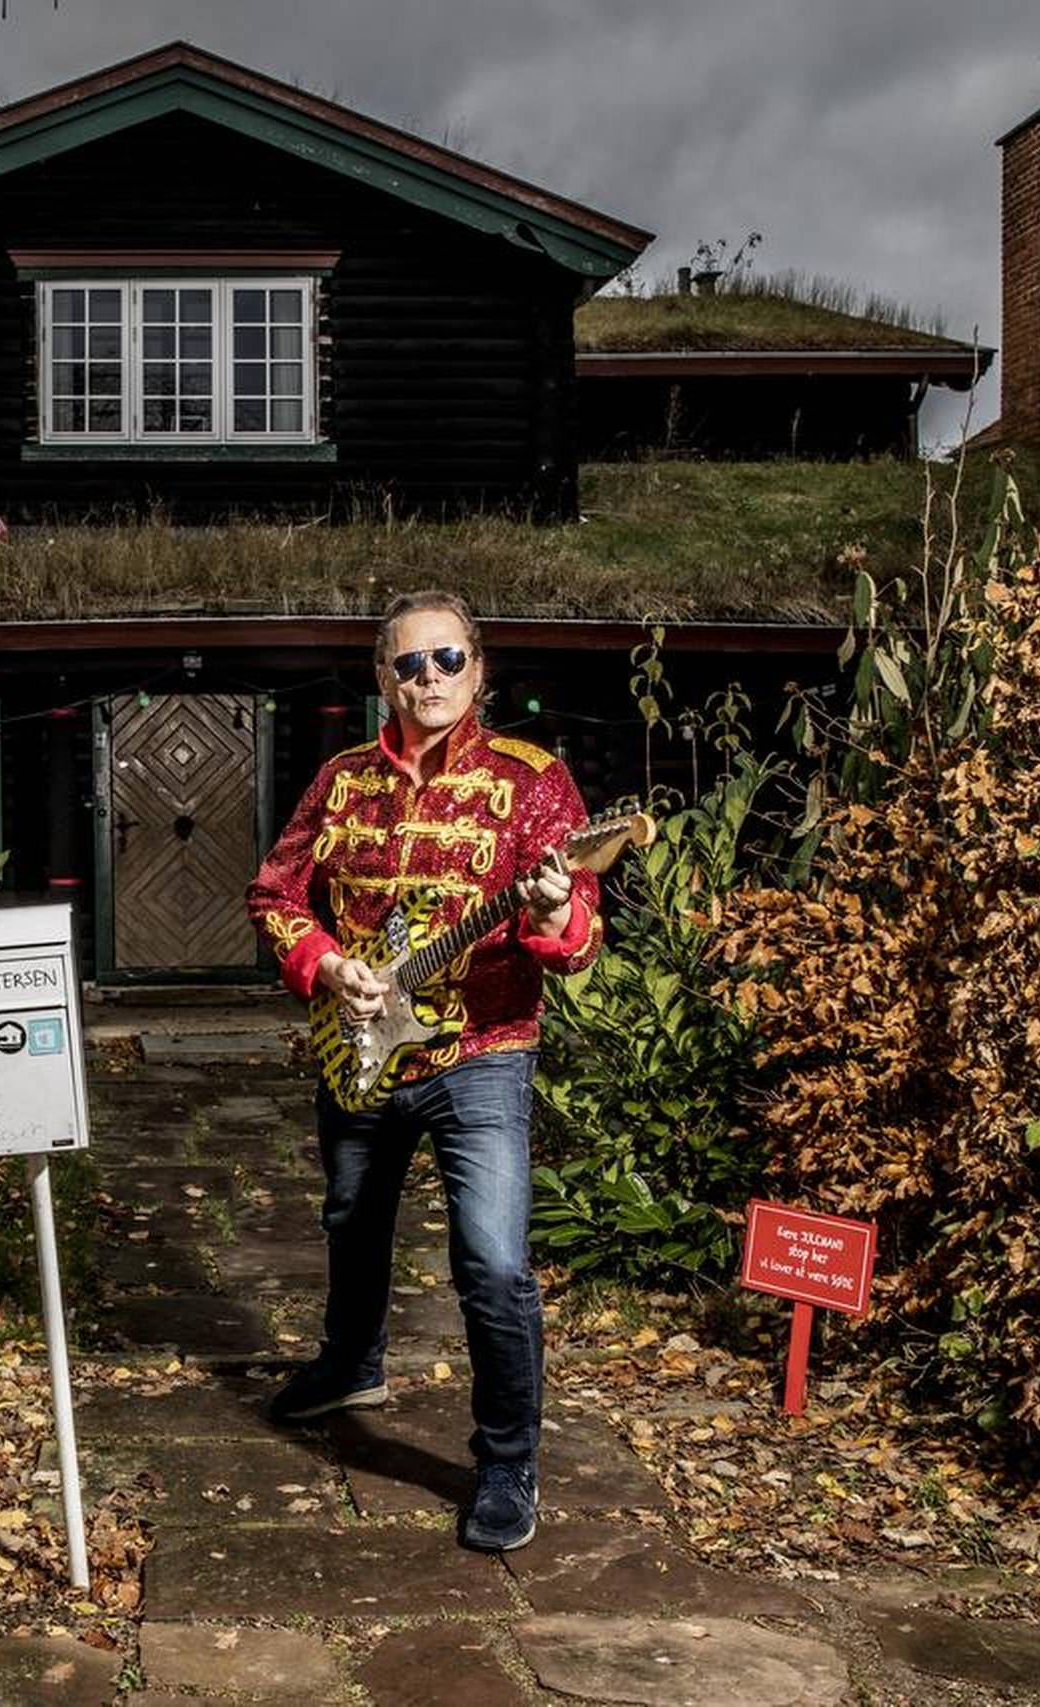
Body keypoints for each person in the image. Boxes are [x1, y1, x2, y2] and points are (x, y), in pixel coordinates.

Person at [244, 588, 599, 1553]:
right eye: (408, 664)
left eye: (447, 661)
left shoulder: (535, 782)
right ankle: (351, 1362)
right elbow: (277, 893)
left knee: (491, 1261)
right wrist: (326, 967)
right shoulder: (342, 778)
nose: (428, 679)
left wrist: (554, 905)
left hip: (483, 1052)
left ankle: (506, 1461)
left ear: (479, 671)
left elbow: (574, 943)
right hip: (362, 1046)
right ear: (381, 679)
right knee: (351, 1222)